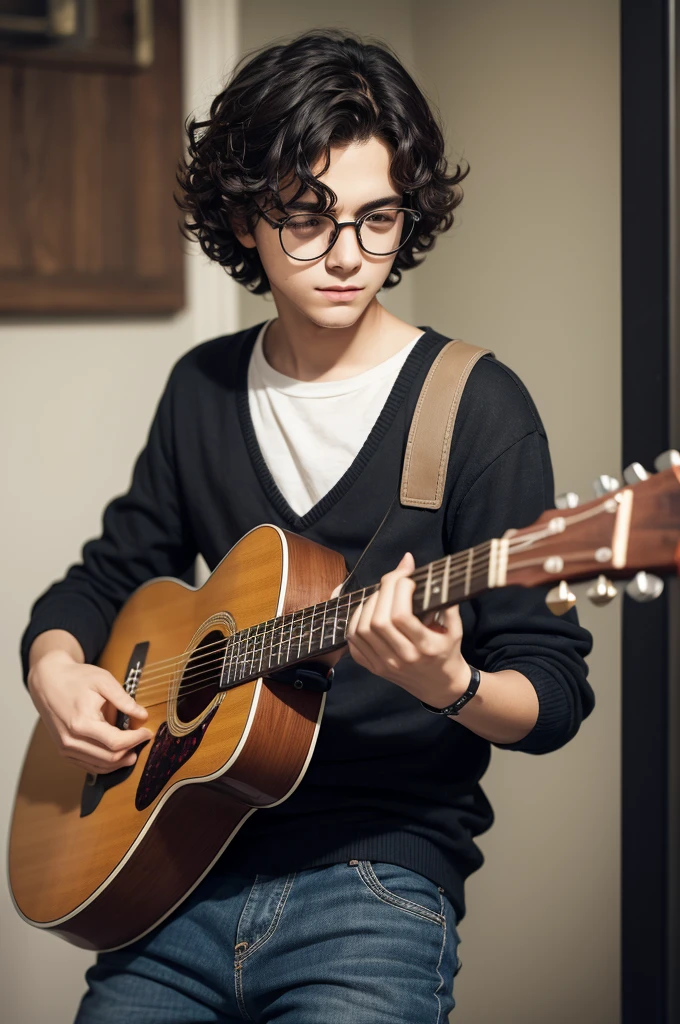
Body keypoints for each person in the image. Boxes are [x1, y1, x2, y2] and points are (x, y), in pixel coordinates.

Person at [22, 28, 594, 1024]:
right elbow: (112, 573)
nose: (346, 257)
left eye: (378, 221)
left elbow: (550, 695)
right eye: (306, 217)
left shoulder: (473, 405)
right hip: (175, 866)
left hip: (373, 886)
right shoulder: (201, 388)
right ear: (244, 219)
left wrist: (448, 684)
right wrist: (55, 669)